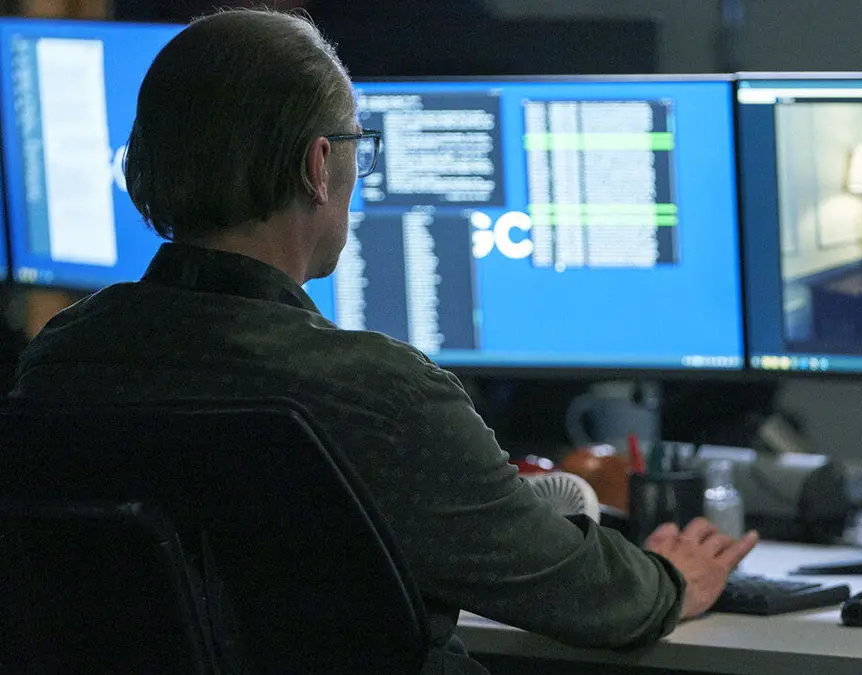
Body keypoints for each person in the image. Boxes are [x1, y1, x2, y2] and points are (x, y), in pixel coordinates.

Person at [7, 9, 758, 674]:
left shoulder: (60, 359)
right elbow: (588, 599)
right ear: (317, 166)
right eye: (355, 148)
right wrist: (670, 578)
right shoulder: (381, 395)